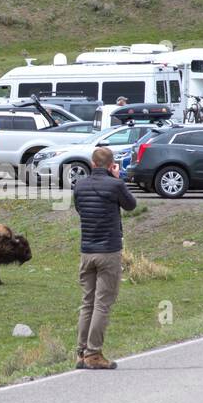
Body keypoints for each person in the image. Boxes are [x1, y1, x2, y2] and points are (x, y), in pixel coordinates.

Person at [73, 146, 136, 370]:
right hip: (108, 251)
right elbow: (131, 205)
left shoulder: (79, 185)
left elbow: (80, 209)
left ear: (92, 163)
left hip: (87, 250)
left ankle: (81, 352)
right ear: (111, 166)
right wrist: (117, 178)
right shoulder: (115, 184)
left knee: (87, 303)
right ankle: (94, 353)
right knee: (102, 304)